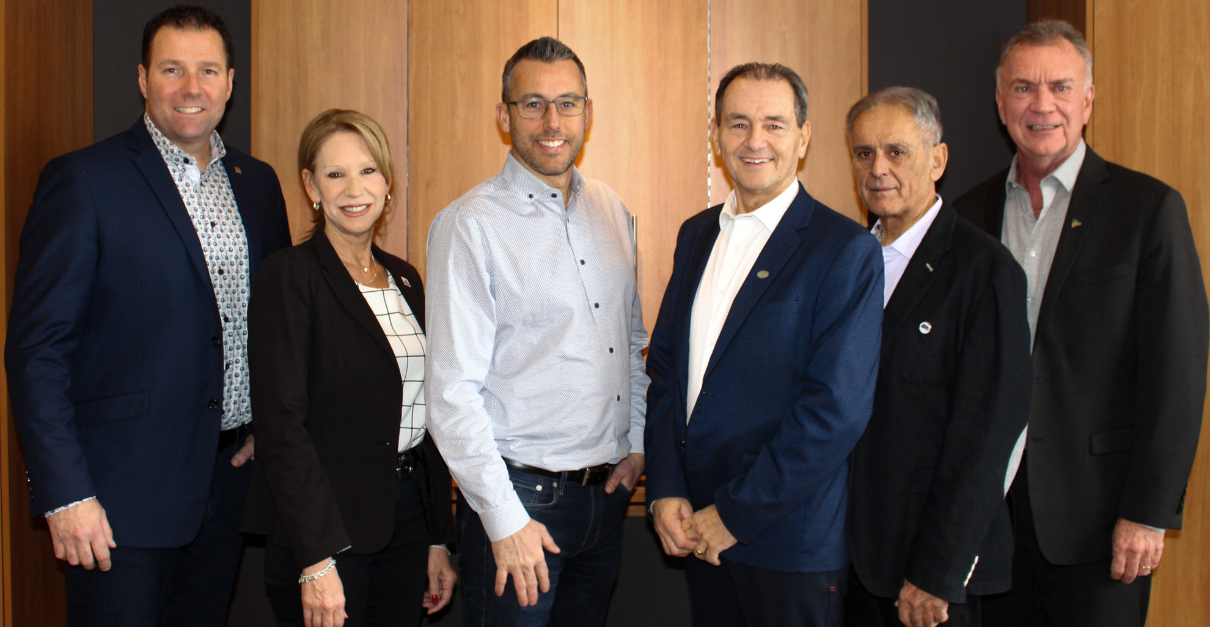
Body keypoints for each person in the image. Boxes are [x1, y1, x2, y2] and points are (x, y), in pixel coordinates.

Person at [3, 6, 292, 626]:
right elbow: (37, 351)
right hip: (116, 499)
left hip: (228, 486)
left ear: (230, 83)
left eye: (208, 70)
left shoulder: (259, 184)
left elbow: (277, 326)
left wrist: (264, 426)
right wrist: (65, 493)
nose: (191, 87)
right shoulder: (84, 181)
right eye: (171, 69)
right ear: (141, 79)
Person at [953, 20, 1208, 627]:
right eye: (1023, 88)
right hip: (989, 521)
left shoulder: (1147, 210)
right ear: (1000, 104)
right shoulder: (966, 215)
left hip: (1100, 523)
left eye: (1060, 87)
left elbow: (1178, 372)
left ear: (1088, 100)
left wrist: (1147, 512)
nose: (1042, 105)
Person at [644, 62, 884, 627]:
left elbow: (835, 411)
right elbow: (666, 371)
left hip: (785, 543)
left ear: (803, 137)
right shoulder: (696, 234)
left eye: (774, 125)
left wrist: (733, 513)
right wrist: (667, 489)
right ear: (717, 136)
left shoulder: (844, 249)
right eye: (738, 124)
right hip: (696, 529)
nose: (755, 141)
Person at [424, 36, 648, 625]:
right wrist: (503, 520)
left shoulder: (613, 211)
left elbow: (630, 345)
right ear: (504, 116)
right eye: (533, 104)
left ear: (588, 113)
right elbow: (450, 394)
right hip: (520, 502)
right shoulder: (469, 224)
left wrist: (638, 439)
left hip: (606, 501)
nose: (553, 122)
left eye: (567, 103)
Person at [242, 109, 456, 627]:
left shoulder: (406, 279)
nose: (354, 189)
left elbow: (425, 410)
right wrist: (316, 559)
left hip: (406, 521)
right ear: (311, 186)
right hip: (326, 531)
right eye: (335, 174)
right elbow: (281, 427)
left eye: (367, 171)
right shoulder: (289, 276)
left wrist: (437, 537)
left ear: (387, 182)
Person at [841, 87, 1032, 627]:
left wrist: (938, 571)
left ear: (938, 160)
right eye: (864, 153)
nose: (878, 168)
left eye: (897, 151)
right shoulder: (845, 264)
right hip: (850, 565)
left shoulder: (985, 270)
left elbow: (988, 437)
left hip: (929, 579)